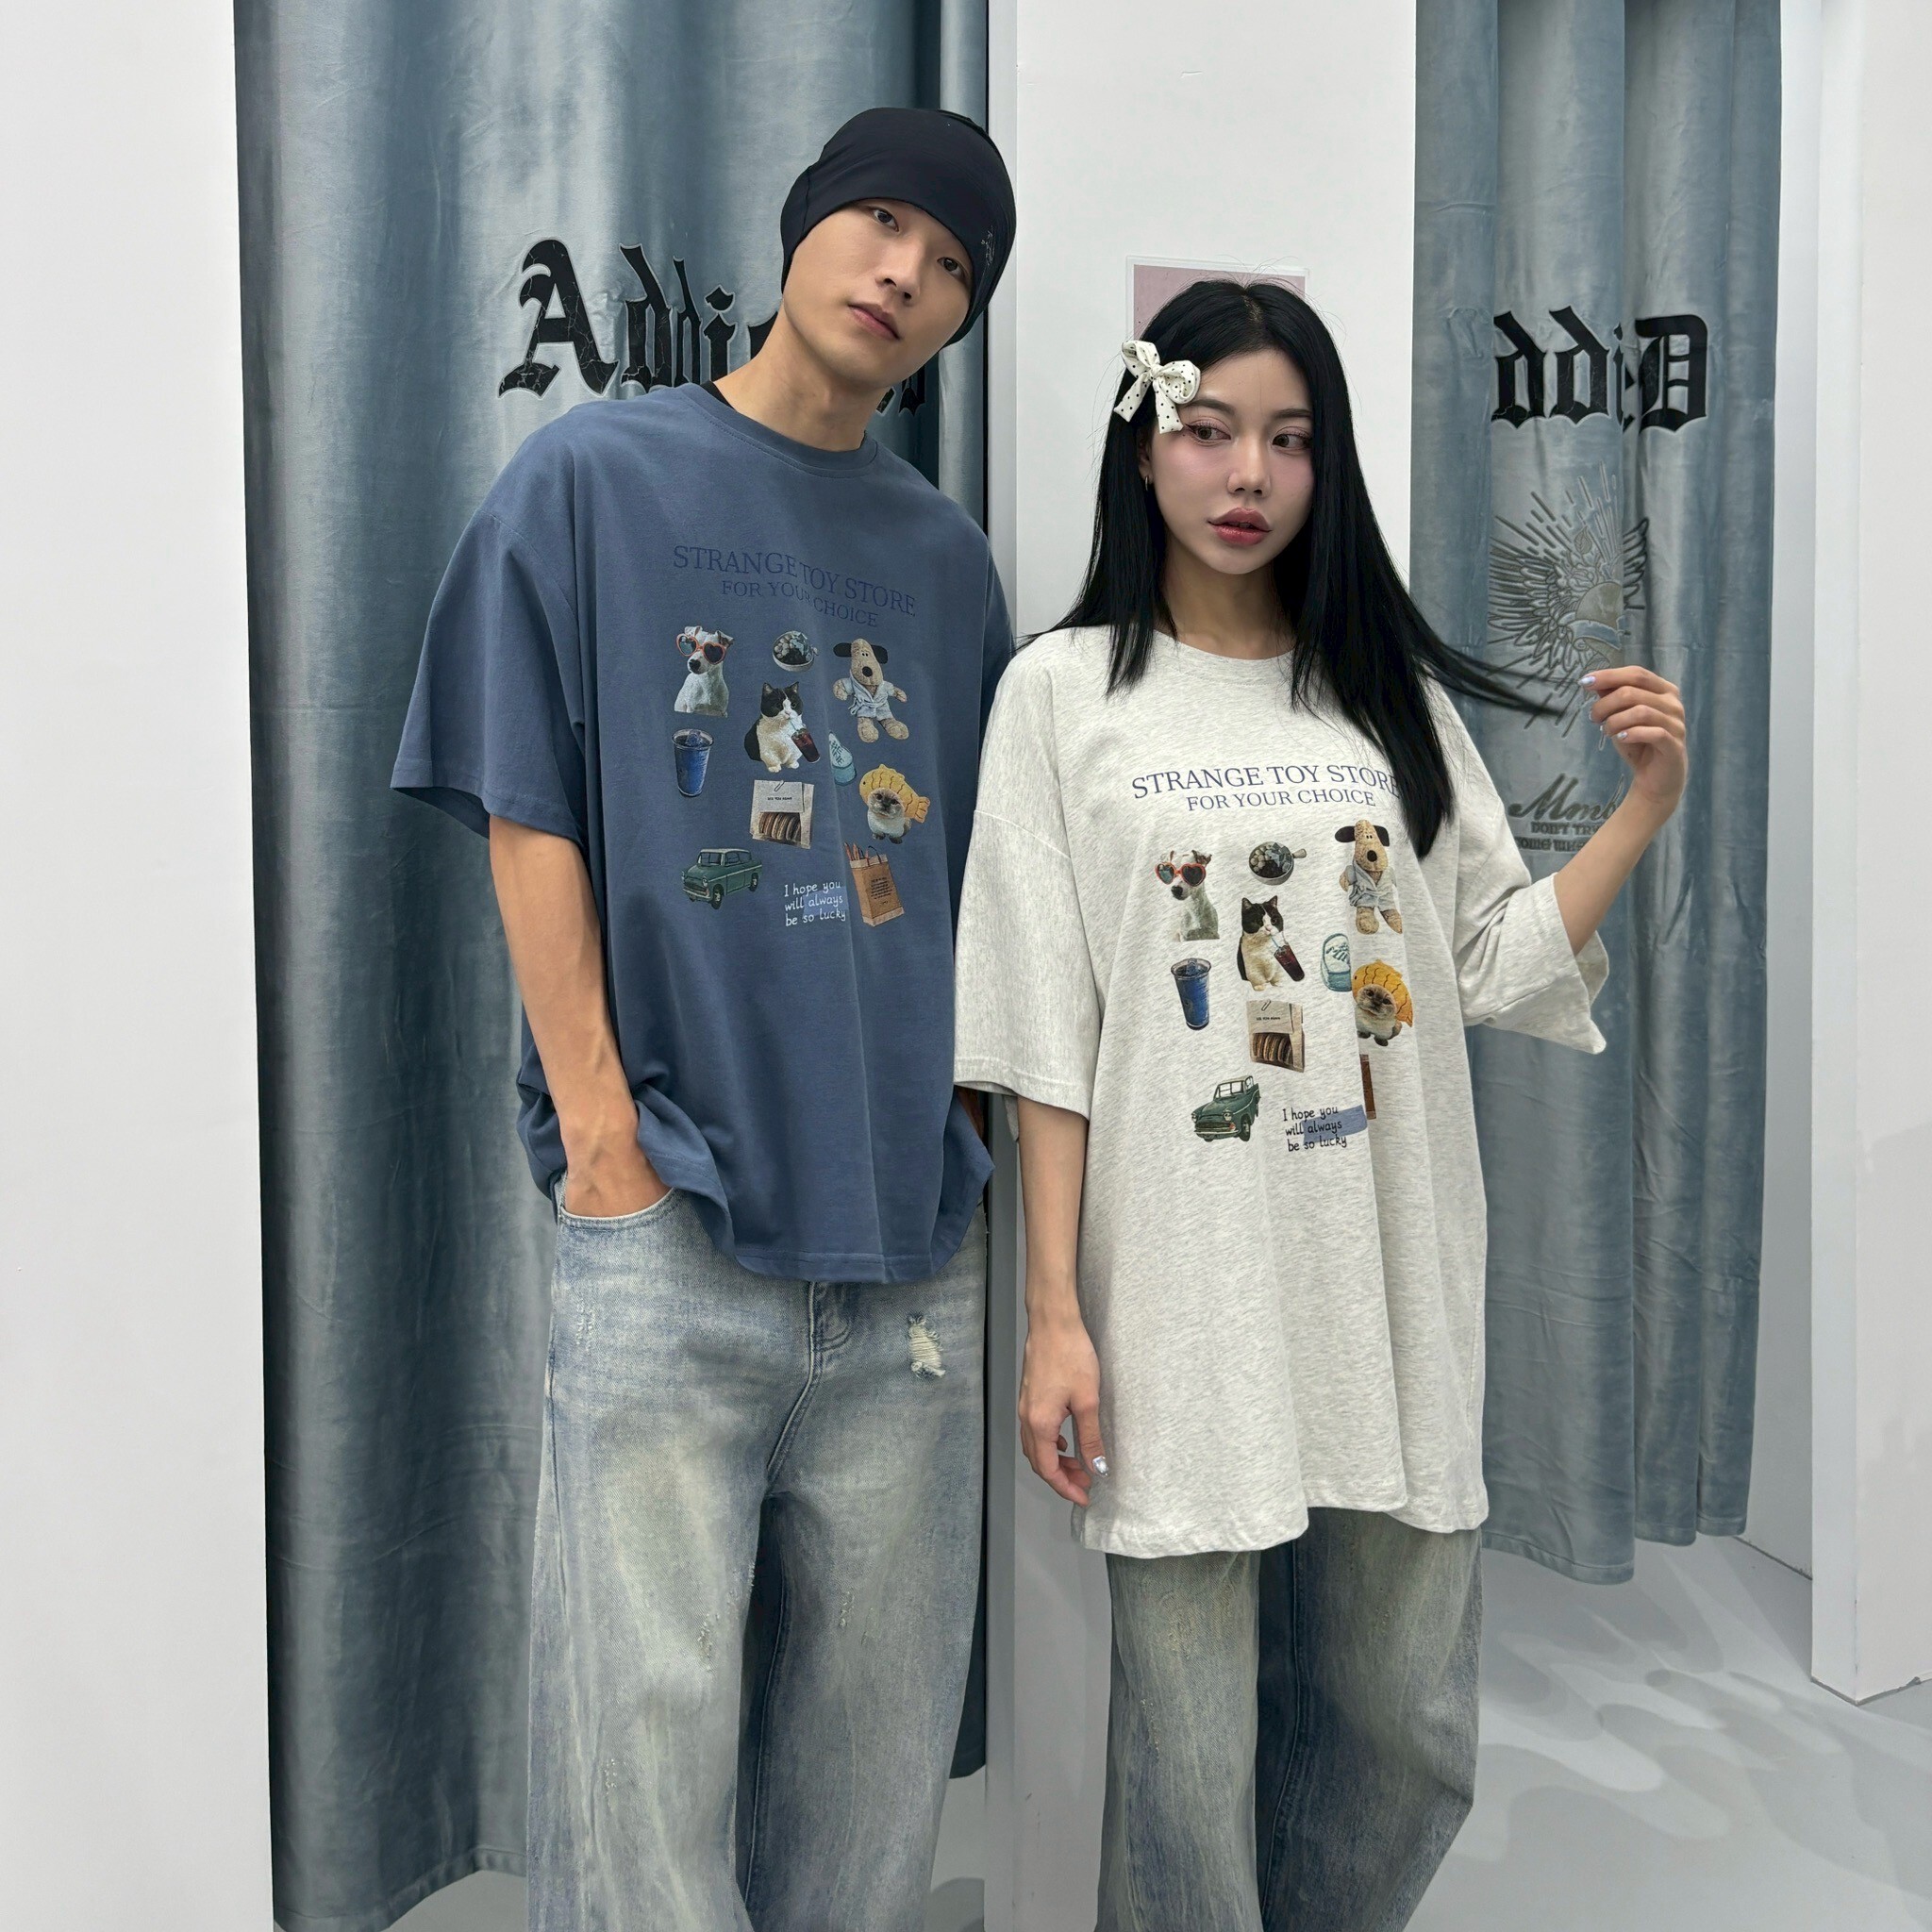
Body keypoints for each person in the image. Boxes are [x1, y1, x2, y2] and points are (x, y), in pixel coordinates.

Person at [953, 280, 1687, 1931]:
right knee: (1187, 1758)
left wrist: (1645, 807)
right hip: (1181, 1295)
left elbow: (1483, 957)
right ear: (1145, 447)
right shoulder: (1060, 694)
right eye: (1210, 431)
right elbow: (1040, 1030)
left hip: (1389, 1274)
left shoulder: (1382, 695)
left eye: (1288, 441)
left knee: (1407, 1723)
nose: (1248, 475)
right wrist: (1054, 1315)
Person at [391, 106, 1015, 1932]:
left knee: (872, 1791)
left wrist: (969, 1132)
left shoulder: (945, 561)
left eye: (953, 264)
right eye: (881, 221)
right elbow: (524, 807)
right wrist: (601, 1138)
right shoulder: (594, 480)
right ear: (804, 225)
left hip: (912, 1250)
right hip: (668, 1218)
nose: (904, 273)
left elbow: (992, 880)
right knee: (636, 1786)